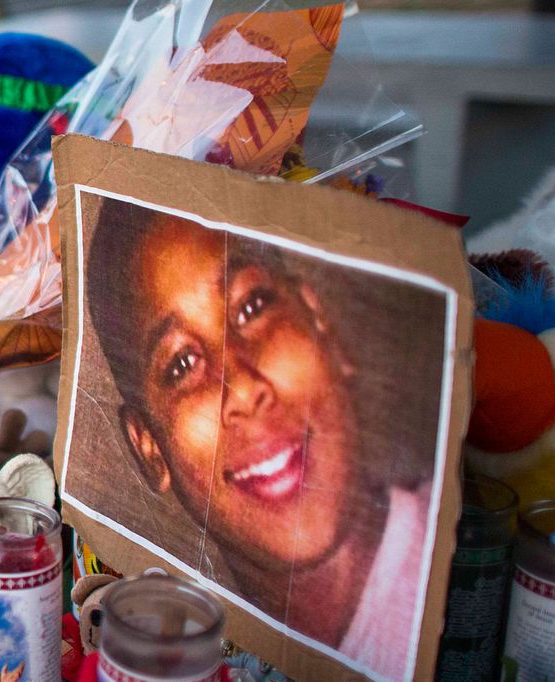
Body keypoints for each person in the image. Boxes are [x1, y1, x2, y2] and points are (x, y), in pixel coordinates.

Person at [83, 198, 426, 676]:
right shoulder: (178, 647)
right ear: (150, 449)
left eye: (252, 306)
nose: (242, 388)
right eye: (182, 364)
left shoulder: (447, 599)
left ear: (319, 323)